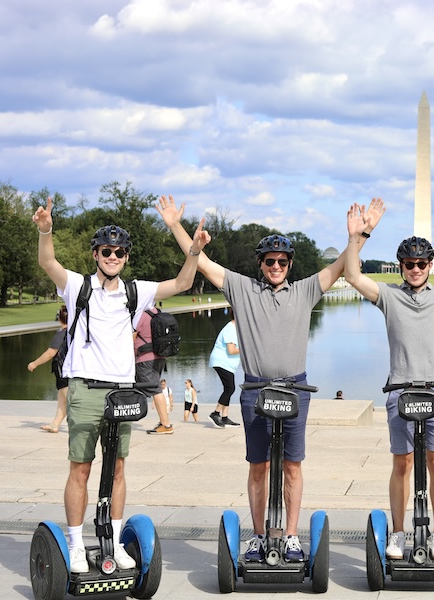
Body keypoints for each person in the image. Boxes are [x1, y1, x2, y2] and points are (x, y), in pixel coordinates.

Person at [158, 194, 381, 563]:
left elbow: (342, 265)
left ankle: (291, 536)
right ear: (260, 264)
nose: (275, 266)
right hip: (255, 389)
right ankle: (259, 534)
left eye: (281, 261)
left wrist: (360, 236)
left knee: (292, 464)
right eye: (269, 261)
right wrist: (175, 226)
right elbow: (204, 264)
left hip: (295, 387)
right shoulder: (242, 289)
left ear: (289, 264)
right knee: (258, 466)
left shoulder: (306, 289)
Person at [32, 197, 208, 574]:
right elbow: (48, 262)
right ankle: (76, 543)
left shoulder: (134, 291)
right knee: (81, 468)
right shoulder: (78, 287)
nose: (113, 256)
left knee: (118, 469)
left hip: (122, 393)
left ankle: (111, 540)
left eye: (120, 252)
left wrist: (193, 252)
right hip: (85, 390)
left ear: (126, 257)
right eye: (107, 251)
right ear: (96, 254)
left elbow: (183, 282)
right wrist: (46, 230)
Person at [343, 197, 434, 562]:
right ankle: (397, 532)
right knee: (402, 463)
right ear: (401, 266)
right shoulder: (388, 296)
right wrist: (360, 236)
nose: (416, 269)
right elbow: (352, 275)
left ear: (430, 265)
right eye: (409, 264)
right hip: (400, 388)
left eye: (422, 263)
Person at [28, 305, 69, 433]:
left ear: (59, 318)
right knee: (62, 399)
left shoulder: (62, 334)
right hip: (69, 371)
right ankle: (55, 424)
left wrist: (34, 363)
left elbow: (50, 353)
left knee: (70, 401)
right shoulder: (74, 333)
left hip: (64, 371)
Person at [135, 307, 174, 435]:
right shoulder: (157, 312)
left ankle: (166, 424)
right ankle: (164, 422)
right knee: (155, 388)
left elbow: (132, 337)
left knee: (155, 390)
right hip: (159, 357)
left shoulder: (141, 315)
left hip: (144, 358)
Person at [208, 310, 241, 428]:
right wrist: (246, 349)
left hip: (227, 364)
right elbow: (231, 351)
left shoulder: (234, 328)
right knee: (230, 388)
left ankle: (225, 417)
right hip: (221, 362)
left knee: (228, 388)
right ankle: (215, 413)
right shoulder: (230, 329)